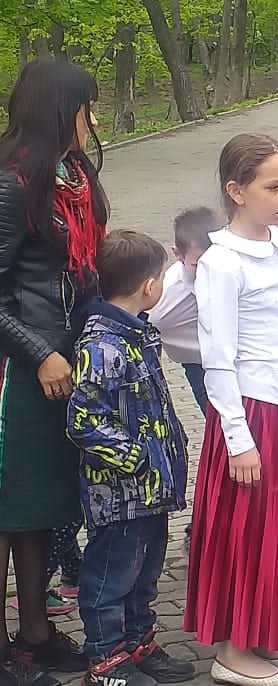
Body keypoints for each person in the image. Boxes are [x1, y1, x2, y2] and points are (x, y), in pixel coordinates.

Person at [183, 134, 278, 686]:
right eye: (273, 187)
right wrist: (237, 438)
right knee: (246, 529)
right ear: (236, 191)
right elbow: (217, 356)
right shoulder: (221, 261)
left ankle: (264, 632)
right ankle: (233, 651)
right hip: (251, 410)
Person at [1, 59, 108, 686]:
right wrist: (38, 352)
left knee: (41, 504)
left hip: (65, 360)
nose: (93, 118)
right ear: (58, 109)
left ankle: (36, 632)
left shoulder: (73, 174)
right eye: (86, 106)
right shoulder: (10, 184)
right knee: (7, 505)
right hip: (17, 371)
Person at [67, 230, 194, 686]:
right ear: (149, 285)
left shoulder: (138, 335)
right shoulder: (102, 345)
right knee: (111, 576)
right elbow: (84, 421)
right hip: (119, 493)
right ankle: (105, 659)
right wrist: (137, 459)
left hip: (150, 490)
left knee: (145, 571)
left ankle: (138, 642)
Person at [149, 207, 221, 414]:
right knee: (217, 424)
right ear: (178, 254)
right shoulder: (165, 297)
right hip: (199, 367)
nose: (209, 271)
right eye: (198, 264)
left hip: (243, 362)